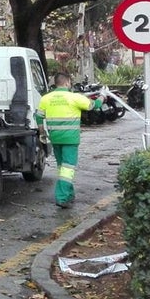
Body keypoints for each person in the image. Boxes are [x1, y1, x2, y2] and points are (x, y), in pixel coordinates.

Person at [35, 73, 100, 209]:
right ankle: (62, 197)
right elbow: (93, 105)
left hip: (55, 138)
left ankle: (69, 194)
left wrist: (42, 132)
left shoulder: (46, 98)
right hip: (70, 139)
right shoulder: (74, 97)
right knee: (68, 168)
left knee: (62, 168)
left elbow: (39, 117)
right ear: (67, 83)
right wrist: (103, 97)